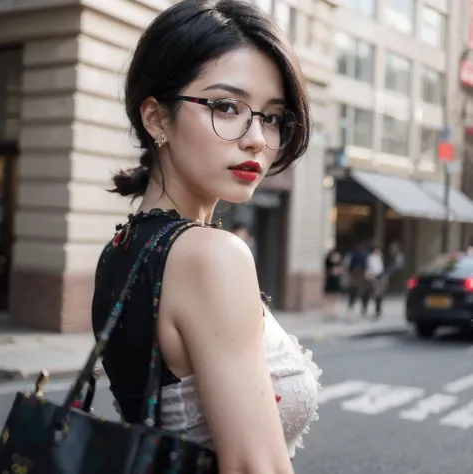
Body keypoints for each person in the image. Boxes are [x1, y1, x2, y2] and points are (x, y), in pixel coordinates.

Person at [91, 1, 321, 472]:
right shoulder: (212, 256)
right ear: (156, 118)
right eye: (226, 106)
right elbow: (253, 465)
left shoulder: (121, 249)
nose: (256, 137)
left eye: (272, 116)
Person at [362, 244, 385, 318]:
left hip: (379, 276)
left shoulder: (380, 257)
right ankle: (365, 309)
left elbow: (381, 268)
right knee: (368, 293)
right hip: (371, 277)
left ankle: (378, 310)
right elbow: (368, 267)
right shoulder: (370, 257)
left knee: (378, 294)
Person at [323, 248, 343, 321]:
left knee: (336, 298)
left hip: (336, 281)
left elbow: (341, 271)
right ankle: (328, 313)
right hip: (330, 281)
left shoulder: (339, 263)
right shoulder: (328, 263)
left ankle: (334, 313)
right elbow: (327, 272)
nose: (336, 257)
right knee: (329, 298)